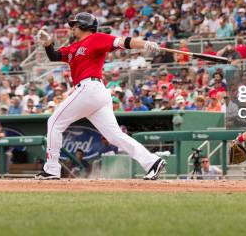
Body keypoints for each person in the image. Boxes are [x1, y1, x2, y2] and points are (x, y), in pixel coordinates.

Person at [35, 12, 166, 180]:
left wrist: (144, 44)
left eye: (75, 24)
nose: (72, 27)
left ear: (83, 25)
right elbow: (53, 55)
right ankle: (152, 162)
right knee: (114, 136)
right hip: (93, 93)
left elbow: (123, 42)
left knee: (54, 122)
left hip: (90, 88)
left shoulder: (97, 38)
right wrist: (47, 43)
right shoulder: (73, 47)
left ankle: (52, 169)